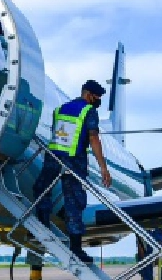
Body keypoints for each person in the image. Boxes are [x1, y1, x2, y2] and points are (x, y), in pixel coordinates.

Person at [30, 80, 112, 265]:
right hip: (74, 159)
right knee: (73, 200)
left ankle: (41, 224)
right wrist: (103, 167)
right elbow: (93, 138)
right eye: (98, 97)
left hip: (54, 155)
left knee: (42, 188)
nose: (98, 101)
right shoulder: (89, 111)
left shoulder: (60, 109)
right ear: (89, 94)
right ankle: (75, 247)